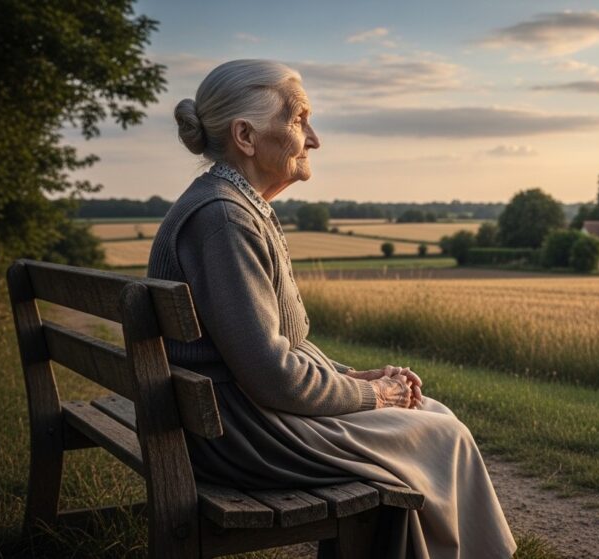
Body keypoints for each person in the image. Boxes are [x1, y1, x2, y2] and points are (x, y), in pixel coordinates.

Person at [148, 59, 516, 559]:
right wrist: (375, 394)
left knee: (433, 416)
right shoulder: (224, 221)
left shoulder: (228, 205)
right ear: (246, 136)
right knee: (442, 434)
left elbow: (268, 350)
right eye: (299, 119)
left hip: (233, 417)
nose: (314, 138)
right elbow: (273, 375)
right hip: (243, 435)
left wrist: (356, 377)